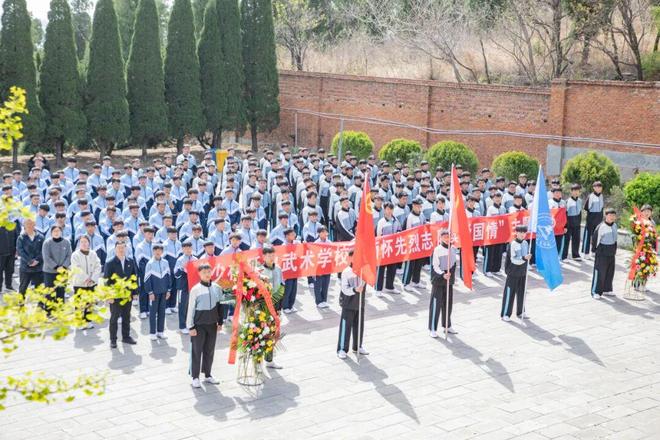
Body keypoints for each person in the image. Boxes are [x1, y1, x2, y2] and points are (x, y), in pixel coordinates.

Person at [186, 263, 228, 388]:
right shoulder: (195, 289)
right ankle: (195, 377)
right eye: (204, 272)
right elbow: (190, 309)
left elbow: (221, 306)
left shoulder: (217, 288)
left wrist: (220, 322)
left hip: (212, 325)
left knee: (209, 350)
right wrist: (190, 327)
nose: (207, 274)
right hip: (198, 326)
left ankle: (208, 375)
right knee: (196, 351)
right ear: (199, 274)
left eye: (209, 272)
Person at [104, 241, 138, 348]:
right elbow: (107, 281)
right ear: (115, 249)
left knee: (126, 317)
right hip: (115, 296)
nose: (121, 250)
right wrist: (109, 296)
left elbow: (134, 278)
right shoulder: (110, 263)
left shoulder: (130, 261)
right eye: (119, 248)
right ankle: (113, 340)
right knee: (114, 318)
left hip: (127, 295)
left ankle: (126, 337)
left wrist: (135, 292)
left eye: (123, 248)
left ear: (126, 249)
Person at [337, 250, 368, 359]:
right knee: (346, 327)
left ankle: (357, 346)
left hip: (360, 302)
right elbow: (344, 289)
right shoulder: (346, 272)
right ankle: (342, 349)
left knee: (359, 325)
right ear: (349, 258)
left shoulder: (363, 270)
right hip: (348, 303)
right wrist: (355, 289)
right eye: (354, 257)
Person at [429, 229, 457, 337]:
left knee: (448, 304)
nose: (447, 239)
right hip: (439, 280)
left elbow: (454, 263)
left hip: (449, 280)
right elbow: (435, 266)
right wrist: (442, 274)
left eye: (448, 237)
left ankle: (447, 325)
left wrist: (450, 274)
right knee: (436, 305)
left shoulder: (453, 249)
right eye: (444, 237)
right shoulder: (437, 250)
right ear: (440, 238)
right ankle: (433, 328)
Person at [71, 235, 102, 329]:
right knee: (79, 303)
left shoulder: (93, 254)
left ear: (89, 243)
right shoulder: (75, 255)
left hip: (92, 283)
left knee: (90, 302)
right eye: (82, 242)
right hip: (79, 283)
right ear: (79, 244)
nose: (84, 244)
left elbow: (98, 266)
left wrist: (92, 278)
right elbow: (76, 268)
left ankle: (88, 321)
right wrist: (86, 278)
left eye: (86, 242)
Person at [260, 245, 284, 369]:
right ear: (263, 257)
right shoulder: (259, 271)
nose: (271, 257)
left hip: (275, 306)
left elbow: (281, 287)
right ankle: (257, 360)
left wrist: (279, 307)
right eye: (268, 255)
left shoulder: (278, 269)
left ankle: (269, 360)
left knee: (272, 333)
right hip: (262, 307)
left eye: (273, 255)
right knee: (260, 332)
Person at [501, 226, 531, 322]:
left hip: (522, 271)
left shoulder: (526, 243)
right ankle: (506, 314)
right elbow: (514, 260)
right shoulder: (513, 244)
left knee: (522, 292)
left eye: (524, 232)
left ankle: (521, 311)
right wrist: (524, 258)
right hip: (513, 271)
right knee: (510, 293)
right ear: (516, 233)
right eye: (520, 232)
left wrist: (527, 260)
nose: (522, 234)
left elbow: (525, 257)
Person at [144, 243, 172, 340]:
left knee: (162, 312)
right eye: (156, 250)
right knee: (152, 313)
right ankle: (152, 333)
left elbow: (168, 277)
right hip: (154, 294)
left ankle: (160, 332)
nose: (158, 252)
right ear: (153, 251)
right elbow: (146, 279)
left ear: (162, 251)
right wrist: (150, 292)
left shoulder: (166, 262)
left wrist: (168, 290)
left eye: (160, 250)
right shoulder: (149, 264)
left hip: (164, 292)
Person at [42, 225, 73, 305]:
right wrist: (56, 267)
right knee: (49, 293)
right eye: (54, 231)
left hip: (63, 272)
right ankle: (49, 310)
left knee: (61, 292)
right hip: (49, 272)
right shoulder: (47, 243)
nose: (56, 233)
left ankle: (60, 309)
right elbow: (46, 257)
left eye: (58, 231)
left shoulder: (66, 242)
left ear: (61, 232)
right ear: (51, 233)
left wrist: (64, 267)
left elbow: (69, 256)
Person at [591, 208, 618, 299]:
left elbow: (615, 239)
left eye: (613, 215)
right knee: (600, 272)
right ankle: (596, 291)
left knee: (610, 272)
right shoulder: (601, 227)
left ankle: (607, 289)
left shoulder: (615, 225)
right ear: (605, 216)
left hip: (611, 252)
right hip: (602, 252)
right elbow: (595, 240)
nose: (612, 217)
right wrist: (594, 251)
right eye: (610, 215)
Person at [375, 202, 401, 296]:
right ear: (384, 210)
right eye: (387, 209)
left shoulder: (396, 220)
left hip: (393, 248)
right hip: (383, 248)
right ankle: (378, 289)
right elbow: (378, 235)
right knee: (381, 269)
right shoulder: (381, 222)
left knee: (392, 268)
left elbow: (399, 230)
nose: (389, 211)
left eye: (391, 209)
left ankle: (389, 287)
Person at [17, 218, 45, 297]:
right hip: (25, 267)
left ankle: (40, 304)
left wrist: (37, 260)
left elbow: (43, 250)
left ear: (34, 225)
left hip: (38, 267)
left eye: (31, 224)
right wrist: (29, 261)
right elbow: (20, 251)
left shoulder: (41, 237)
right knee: (22, 288)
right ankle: (21, 304)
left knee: (40, 289)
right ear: (24, 226)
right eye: (27, 224)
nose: (29, 226)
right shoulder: (21, 238)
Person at [175, 241, 197, 334]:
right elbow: (176, 274)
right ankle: (182, 326)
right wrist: (182, 268)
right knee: (182, 306)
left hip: (192, 287)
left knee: (191, 306)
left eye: (189, 248)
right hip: (182, 286)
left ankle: (190, 324)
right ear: (183, 249)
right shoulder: (180, 260)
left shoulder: (195, 259)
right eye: (186, 248)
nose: (188, 250)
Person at [582, 181, 604, 259]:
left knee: (596, 236)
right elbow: (586, 208)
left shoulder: (601, 196)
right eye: (597, 187)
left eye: (600, 187)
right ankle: (586, 253)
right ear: (594, 188)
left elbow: (602, 207)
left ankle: (594, 251)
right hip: (591, 219)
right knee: (588, 236)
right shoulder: (591, 196)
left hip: (599, 219)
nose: (599, 188)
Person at [313, 226, 332, 308]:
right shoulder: (316, 243)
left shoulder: (329, 242)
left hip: (327, 266)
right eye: (323, 232)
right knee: (318, 284)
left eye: (326, 232)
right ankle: (318, 301)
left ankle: (324, 300)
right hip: (319, 266)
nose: (325, 233)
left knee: (325, 284)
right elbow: (314, 257)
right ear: (319, 233)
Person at [564, 184, 583, 261]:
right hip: (569, 222)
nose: (576, 192)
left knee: (576, 239)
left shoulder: (580, 201)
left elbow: (580, 212)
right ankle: (564, 256)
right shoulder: (567, 201)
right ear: (571, 191)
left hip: (577, 222)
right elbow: (565, 214)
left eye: (577, 191)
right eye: (574, 190)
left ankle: (575, 255)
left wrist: (579, 222)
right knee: (567, 240)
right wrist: (565, 225)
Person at [0, 220, 19, 291]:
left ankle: (8, 285)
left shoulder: (12, 224)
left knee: (10, 270)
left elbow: (17, 237)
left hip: (11, 252)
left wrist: (17, 249)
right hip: (1, 253)